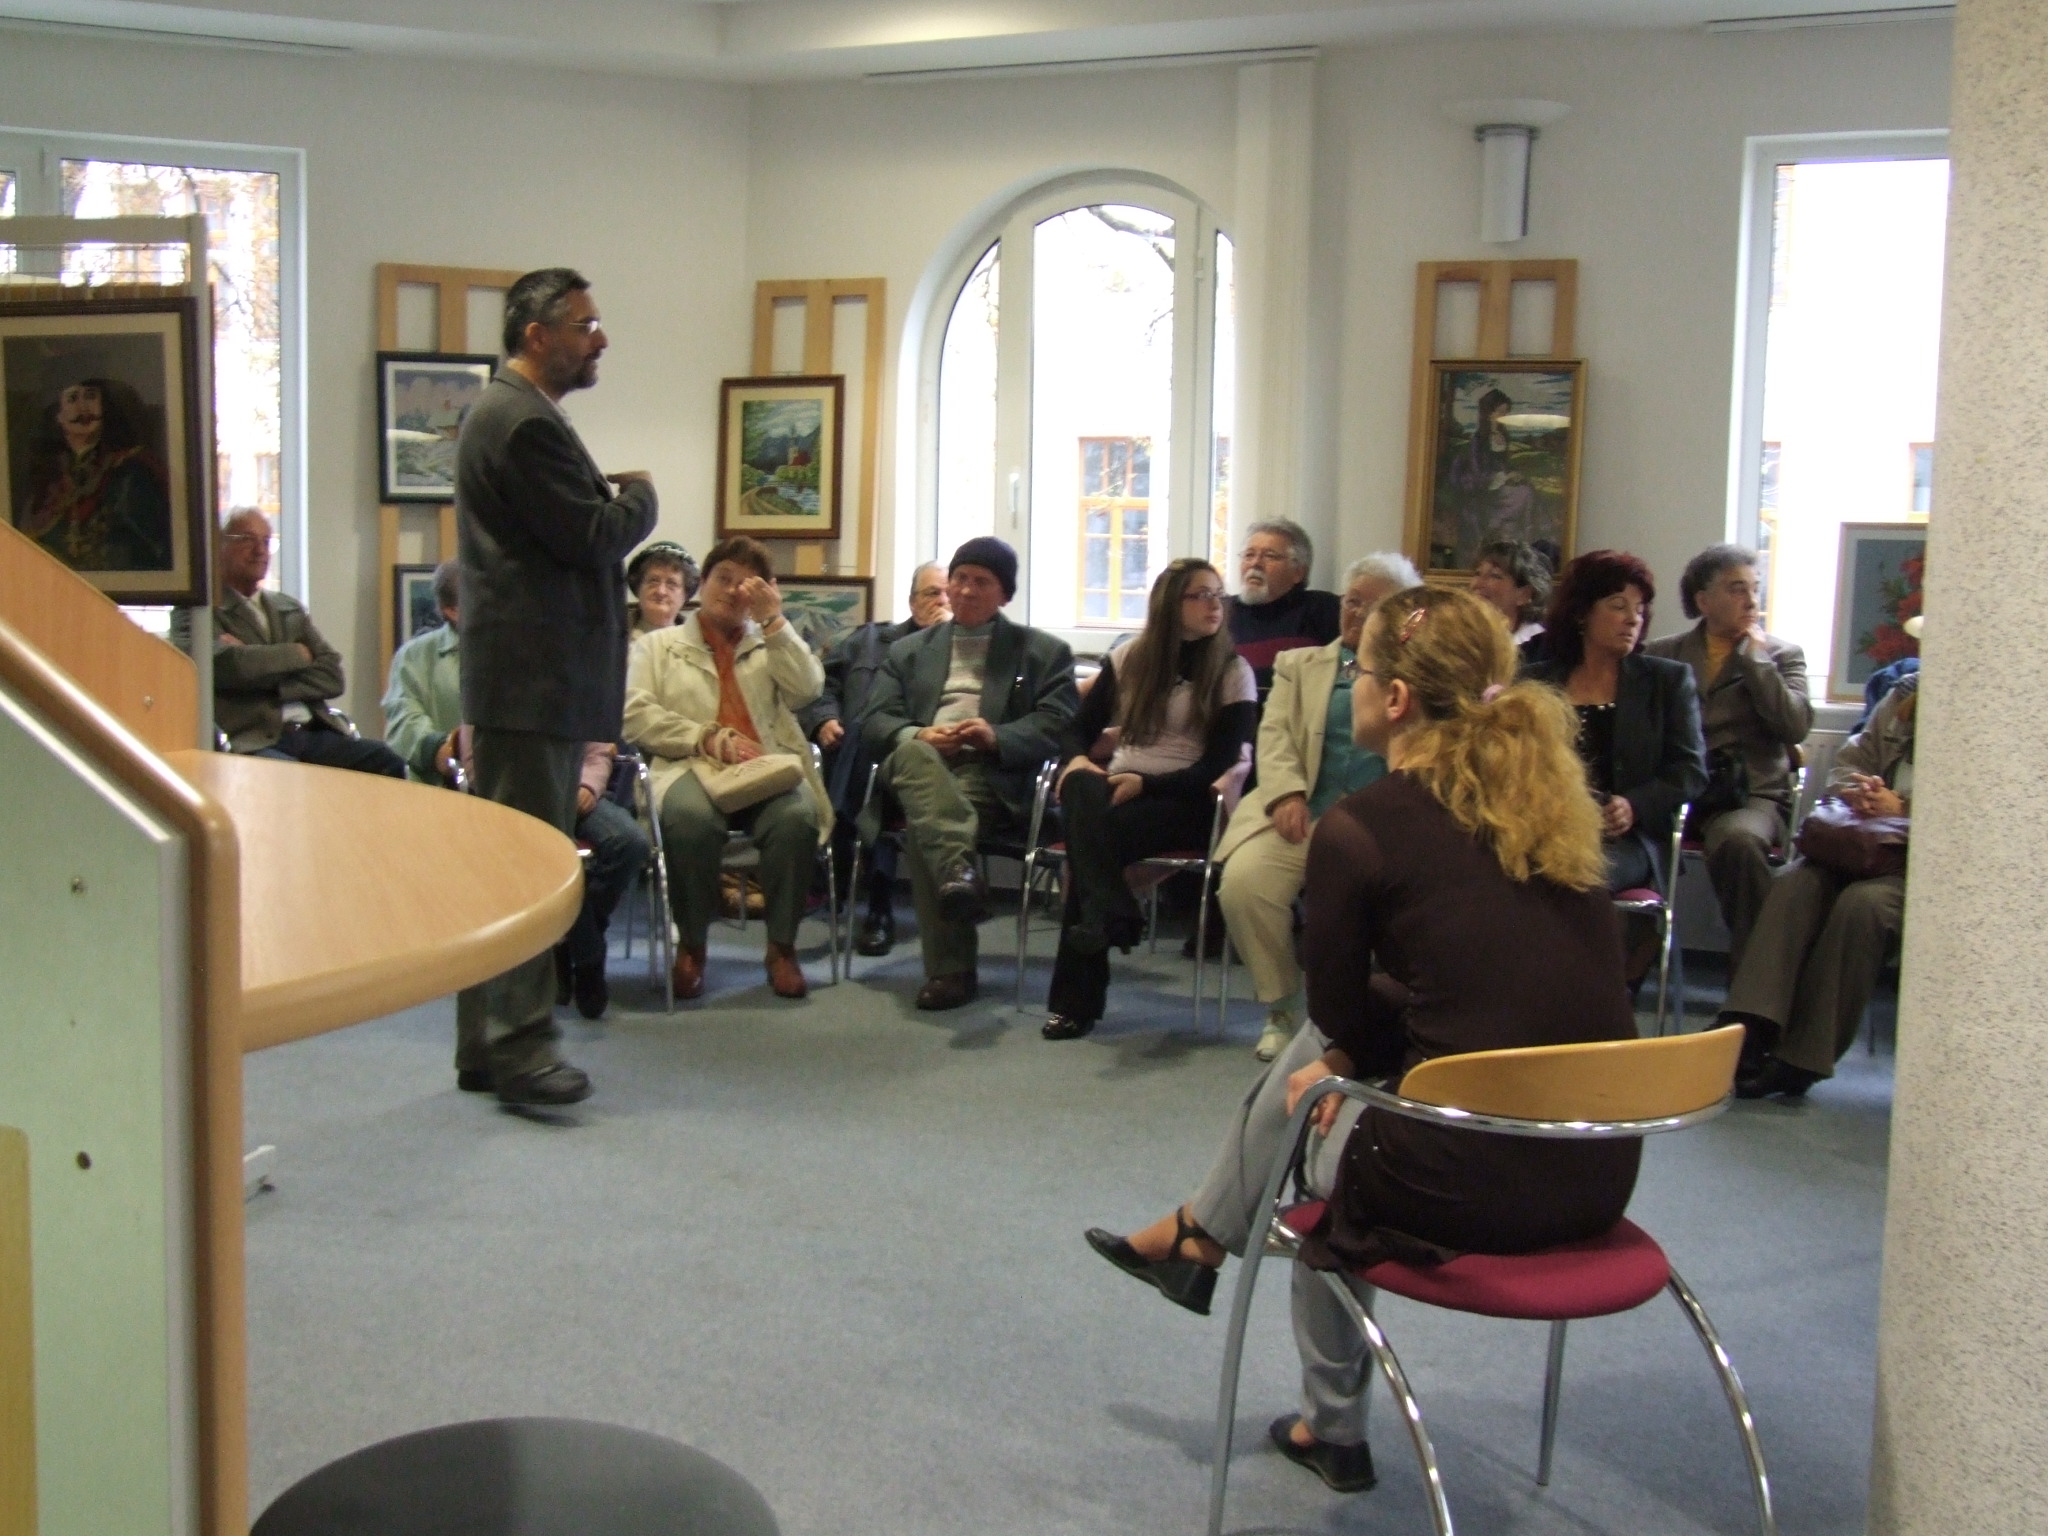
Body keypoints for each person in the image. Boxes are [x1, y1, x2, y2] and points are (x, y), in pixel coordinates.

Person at [1088, 585, 1640, 1493]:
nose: (1354, 685)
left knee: (1316, 1130)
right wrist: (1351, 1046)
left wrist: (1345, 1056)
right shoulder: (1550, 808)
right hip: (1595, 1166)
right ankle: (1197, 1235)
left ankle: (1326, 1419)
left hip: (1466, 1184)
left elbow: (1343, 1015)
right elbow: (1480, 984)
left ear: (1396, 699)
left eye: (1362, 671)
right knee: (1329, 1066)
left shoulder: (1364, 827)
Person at [454, 266, 658, 1106]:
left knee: (505, 864)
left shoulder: (515, 412)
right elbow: (594, 535)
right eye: (585, 324)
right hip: (530, 686)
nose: (600, 338)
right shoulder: (523, 422)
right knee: (525, 869)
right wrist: (640, 497)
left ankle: (486, 1045)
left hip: (528, 684)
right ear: (538, 335)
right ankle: (521, 1049)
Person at [381, 559, 649, 1021]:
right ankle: (585, 955)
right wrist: (441, 749)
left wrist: (587, 784)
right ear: (452, 611)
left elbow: (596, 736)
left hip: (569, 785)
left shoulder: (548, 651)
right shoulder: (428, 658)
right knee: (546, 849)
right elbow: (421, 728)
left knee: (628, 842)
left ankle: (568, 938)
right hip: (480, 792)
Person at [1214, 553, 1419, 1062]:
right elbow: (1275, 735)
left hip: (1384, 825)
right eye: (1352, 601)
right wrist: (1285, 793)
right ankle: (1281, 1007)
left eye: (1372, 606)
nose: (1357, 613)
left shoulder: (1416, 675)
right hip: (1305, 812)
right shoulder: (1299, 665)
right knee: (1245, 882)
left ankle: (1377, 1013)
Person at [1042, 559, 1258, 1040]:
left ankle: (1075, 1002)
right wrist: (1077, 760)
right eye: (1200, 595)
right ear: (1170, 604)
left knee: (1090, 839)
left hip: (1188, 800)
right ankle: (1114, 911)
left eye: (1218, 595)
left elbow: (1217, 766)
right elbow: (1077, 729)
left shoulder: (1232, 671)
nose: (1215, 605)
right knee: (1079, 788)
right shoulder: (1130, 658)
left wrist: (1147, 784)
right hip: (1122, 789)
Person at [859, 537, 1078, 1011]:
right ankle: (958, 876)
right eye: (959, 578)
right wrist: (919, 734)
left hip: (989, 773)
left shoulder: (1042, 652)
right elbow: (874, 721)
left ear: (1005, 594)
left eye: (982, 581)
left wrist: (995, 736)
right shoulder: (909, 651)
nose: (965, 590)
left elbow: (1058, 724)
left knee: (929, 828)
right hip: (917, 764)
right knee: (915, 757)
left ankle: (951, 969)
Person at [623, 536, 828, 1002]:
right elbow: (634, 715)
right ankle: (692, 945)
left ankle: (782, 948)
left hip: (762, 768)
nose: (733, 591)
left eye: (746, 585)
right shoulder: (658, 646)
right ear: (703, 584)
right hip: (688, 764)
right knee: (690, 819)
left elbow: (808, 691)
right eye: (724, 578)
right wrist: (706, 737)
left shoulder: (769, 642)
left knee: (797, 817)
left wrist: (774, 621)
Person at [1720, 672, 1916, 1099]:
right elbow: (1851, 759)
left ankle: (1801, 1059)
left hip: (1917, 869)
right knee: (1795, 882)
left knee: (1862, 907)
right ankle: (1751, 1023)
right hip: (1864, 845)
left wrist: (1904, 808)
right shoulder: (1905, 694)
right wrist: (1859, 791)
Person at [1644, 545, 1811, 972]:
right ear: (1703, 601)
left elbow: (1794, 727)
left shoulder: (1782, 655)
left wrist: (1757, 663)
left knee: (1738, 842)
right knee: (1616, 839)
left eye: (1755, 589)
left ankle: (1755, 983)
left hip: (1747, 796)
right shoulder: (1662, 654)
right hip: (1676, 793)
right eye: (1737, 589)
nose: (1752, 601)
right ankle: (1624, 980)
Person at [1521, 551, 1706, 921]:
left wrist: (1634, 804)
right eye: (1619, 605)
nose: (1633, 618)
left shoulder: (1666, 681)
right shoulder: (1535, 681)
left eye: (1640, 608)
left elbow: (1690, 770)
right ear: (1581, 613)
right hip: (1543, 829)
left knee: (1576, 878)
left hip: (1626, 838)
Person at [798, 561, 952, 957]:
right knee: (862, 748)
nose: (941, 601)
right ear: (912, 602)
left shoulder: (960, 652)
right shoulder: (868, 640)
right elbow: (820, 686)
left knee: (870, 749)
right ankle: (876, 909)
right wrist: (823, 719)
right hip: (851, 756)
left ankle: (834, 860)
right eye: (932, 593)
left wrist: (943, 641)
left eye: (948, 594)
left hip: (918, 761)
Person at [190, 508, 406, 776]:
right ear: (220, 546)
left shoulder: (287, 608)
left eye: (266, 541)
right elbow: (227, 666)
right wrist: (298, 654)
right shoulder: (201, 612)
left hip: (314, 731)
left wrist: (260, 670)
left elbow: (332, 677)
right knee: (292, 779)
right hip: (254, 740)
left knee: (387, 760)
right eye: (247, 539)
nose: (260, 551)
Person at [16, 374, 173, 572]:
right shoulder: (48, 480)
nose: (83, 408)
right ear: (59, 416)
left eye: (90, 397)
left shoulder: (132, 471)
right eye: (73, 399)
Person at [1226, 519, 1343, 698]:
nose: (1255, 563)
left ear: (1298, 572)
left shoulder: (1323, 609)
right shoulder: (1221, 612)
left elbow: (1350, 663)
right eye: (1249, 555)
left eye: (1270, 556)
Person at [1437, 387, 1537, 568]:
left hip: (1499, 484)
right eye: (1500, 412)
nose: (1504, 416)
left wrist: (1512, 474)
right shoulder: (1478, 440)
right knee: (1523, 494)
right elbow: (1476, 472)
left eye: (1506, 412)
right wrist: (1499, 478)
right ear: (1489, 413)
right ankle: (1501, 530)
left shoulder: (1502, 435)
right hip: (1482, 488)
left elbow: (1502, 463)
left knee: (1526, 489)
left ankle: (1522, 540)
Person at [1468, 538, 1551, 648]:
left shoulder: (1541, 647)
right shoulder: (1460, 635)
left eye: (1494, 576)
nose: (1478, 583)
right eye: (1477, 573)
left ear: (1524, 595)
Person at [627, 540, 697, 641]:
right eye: (653, 581)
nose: (661, 591)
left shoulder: (698, 641)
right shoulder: (612, 638)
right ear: (638, 587)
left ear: (685, 594)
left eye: (671, 584)